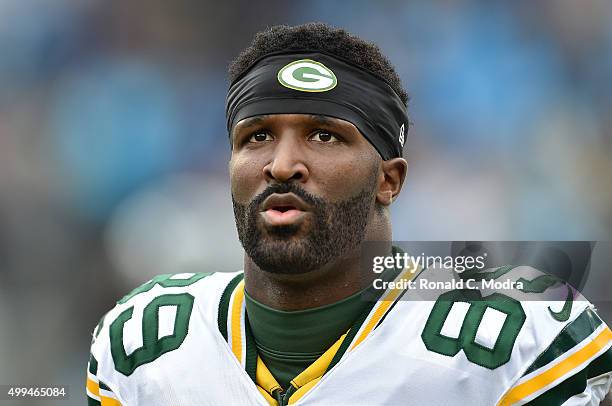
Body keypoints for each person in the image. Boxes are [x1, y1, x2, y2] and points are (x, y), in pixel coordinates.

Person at [86, 23, 612, 405]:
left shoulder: (526, 334)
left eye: (324, 135)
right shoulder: (144, 341)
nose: (283, 164)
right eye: (257, 136)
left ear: (390, 179)